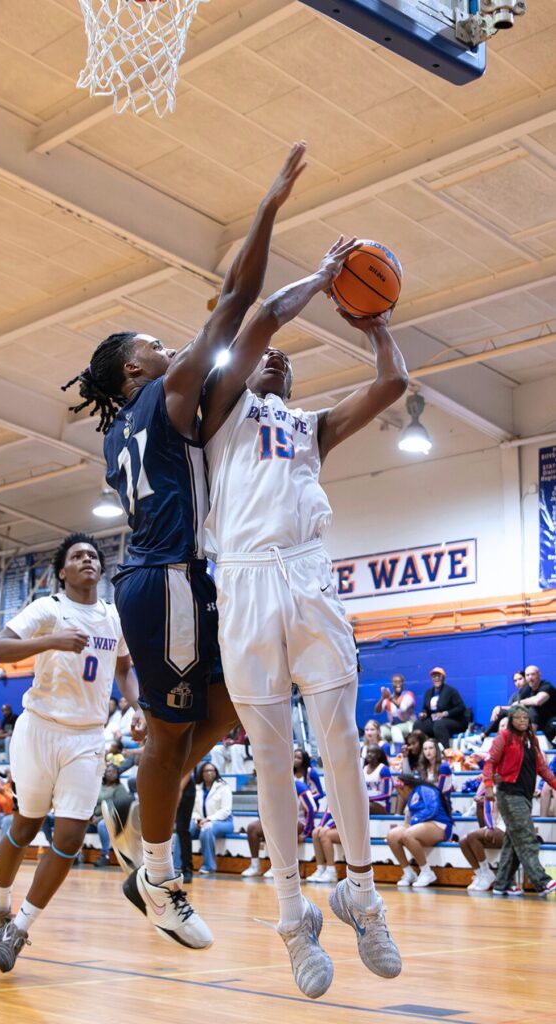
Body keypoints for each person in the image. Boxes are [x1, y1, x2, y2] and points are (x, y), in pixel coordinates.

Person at [64, 143, 308, 949]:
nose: (167, 345)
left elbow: (219, 401)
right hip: (162, 578)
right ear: (131, 370)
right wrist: (269, 204)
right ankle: (158, 876)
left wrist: (258, 383)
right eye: (153, 343)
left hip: (185, 577)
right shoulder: (164, 393)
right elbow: (237, 299)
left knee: (234, 701)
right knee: (167, 735)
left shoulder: (131, 430)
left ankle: (150, 816)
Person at [201, 237, 407, 997]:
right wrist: (323, 277)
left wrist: (376, 325)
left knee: (340, 738)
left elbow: (394, 383)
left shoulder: (309, 428)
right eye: (265, 360)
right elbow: (260, 319)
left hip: (308, 574)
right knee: (270, 755)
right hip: (244, 581)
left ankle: (361, 893)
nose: (277, 360)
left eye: (285, 362)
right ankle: (293, 916)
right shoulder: (219, 414)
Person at [0, 533, 142, 972]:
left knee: (69, 839)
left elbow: (124, 670)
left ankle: (19, 928)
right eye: (77, 556)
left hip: (87, 738)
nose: (87, 559)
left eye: (93, 555)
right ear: (62, 571)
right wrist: (51, 640)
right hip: (39, 729)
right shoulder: (49, 609)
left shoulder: (114, 618)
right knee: (26, 825)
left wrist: (136, 706)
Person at [482, 703, 556, 897]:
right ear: (511, 720)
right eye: (518, 718)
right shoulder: (504, 737)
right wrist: (488, 786)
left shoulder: (532, 739)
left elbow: (542, 768)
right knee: (526, 836)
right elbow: (489, 762)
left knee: (513, 840)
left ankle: (502, 884)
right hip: (508, 793)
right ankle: (542, 881)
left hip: (525, 795)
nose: (523, 721)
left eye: (525, 718)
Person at [387, 774, 453, 888]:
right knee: (392, 835)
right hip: (420, 825)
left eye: (399, 792)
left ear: (405, 787)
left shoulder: (425, 789)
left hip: (439, 824)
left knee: (408, 834)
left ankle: (427, 872)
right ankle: (408, 872)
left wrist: (413, 822)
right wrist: (409, 823)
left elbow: (432, 809)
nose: (400, 795)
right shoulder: (411, 797)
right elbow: (409, 818)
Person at [243, 776, 317, 879]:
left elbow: (312, 808)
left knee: (280, 827)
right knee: (253, 828)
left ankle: (278, 867)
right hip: (278, 822)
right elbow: (263, 808)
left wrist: (306, 833)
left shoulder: (299, 786)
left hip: (298, 822)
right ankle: (255, 866)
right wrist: (265, 828)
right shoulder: (271, 786)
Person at [188, 763, 233, 875]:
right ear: (201, 773)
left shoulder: (224, 787)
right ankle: (178, 865)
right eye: (206, 771)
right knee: (185, 829)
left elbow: (226, 811)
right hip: (201, 821)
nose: (209, 773)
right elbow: (193, 810)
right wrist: (198, 819)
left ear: (216, 772)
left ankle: (208, 866)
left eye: (211, 770)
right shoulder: (197, 788)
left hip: (224, 822)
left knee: (206, 829)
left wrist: (208, 819)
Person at [459, 782, 505, 892]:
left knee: (472, 836)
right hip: (494, 826)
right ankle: (481, 874)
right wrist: (480, 806)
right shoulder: (491, 787)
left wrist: (493, 800)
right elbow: (483, 823)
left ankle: (487, 873)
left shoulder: (509, 788)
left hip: (506, 828)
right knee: (463, 841)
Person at [413, 668, 467, 750]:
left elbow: (461, 707)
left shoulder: (451, 691)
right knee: (418, 724)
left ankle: (445, 752)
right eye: (434, 676)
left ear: (443, 678)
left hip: (453, 720)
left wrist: (444, 714)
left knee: (439, 725)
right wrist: (423, 713)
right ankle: (420, 751)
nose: (436, 678)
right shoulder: (428, 693)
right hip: (435, 721)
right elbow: (425, 709)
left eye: (439, 676)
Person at [511, 665, 556, 742]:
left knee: (533, 709)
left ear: (539, 675)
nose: (530, 677)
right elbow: (513, 707)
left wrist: (519, 702)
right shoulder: (525, 690)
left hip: (552, 719)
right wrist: (500, 708)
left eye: (533, 674)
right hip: (540, 722)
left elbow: (538, 701)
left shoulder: (546, 686)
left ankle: (529, 741)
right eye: (527, 675)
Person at [482, 670, 525, 739]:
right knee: (498, 721)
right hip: (513, 721)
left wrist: (499, 708)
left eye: (520, 679)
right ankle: (484, 733)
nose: (518, 682)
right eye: (515, 681)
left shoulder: (531, 692)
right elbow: (509, 710)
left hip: (525, 720)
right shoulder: (514, 696)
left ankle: (483, 735)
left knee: (501, 712)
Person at [374, 674, 416, 743]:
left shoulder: (408, 694)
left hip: (408, 725)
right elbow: (377, 711)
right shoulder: (388, 697)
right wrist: (382, 698)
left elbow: (403, 708)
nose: (398, 684)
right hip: (392, 725)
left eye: (400, 682)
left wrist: (390, 698)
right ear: (392, 684)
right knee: (378, 731)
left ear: (403, 683)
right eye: (395, 682)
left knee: (395, 730)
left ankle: (398, 749)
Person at [308, 808, 340, 884]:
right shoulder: (332, 800)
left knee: (325, 834)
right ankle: (320, 869)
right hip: (338, 827)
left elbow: (344, 816)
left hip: (350, 828)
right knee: (315, 832)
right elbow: (328, 813)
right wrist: (320, 825)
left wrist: (328, 826)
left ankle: (331, 871)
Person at [363, 746, 393, 815]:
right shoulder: (364, 768)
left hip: (381, 804)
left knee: (365, 806)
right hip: (366, 802)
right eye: (368, 752)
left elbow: (387, 794)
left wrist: (370, 799)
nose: (369, 754)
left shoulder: (384, 769)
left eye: (372, 752)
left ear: (378, 755)